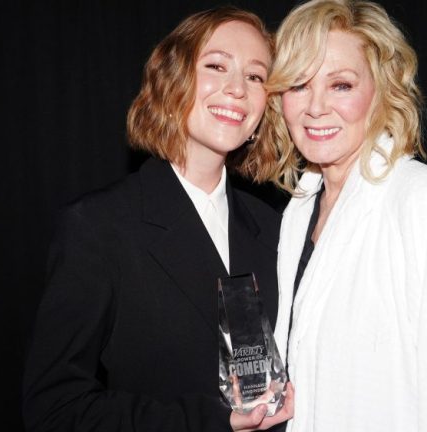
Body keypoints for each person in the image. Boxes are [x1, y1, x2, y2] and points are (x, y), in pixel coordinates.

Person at [22, 7, 293, 432]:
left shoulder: (277, 228)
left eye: (256, 76)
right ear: (173, 79)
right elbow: (55, 408)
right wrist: (213, 423)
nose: (236, 88)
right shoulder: (98, 227)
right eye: (216, 65)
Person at [261, 1, 427, 430]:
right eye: (298, 86)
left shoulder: (422, 201)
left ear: (381, 91)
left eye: (341, 85)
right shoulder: (298, 213)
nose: (316, 107)